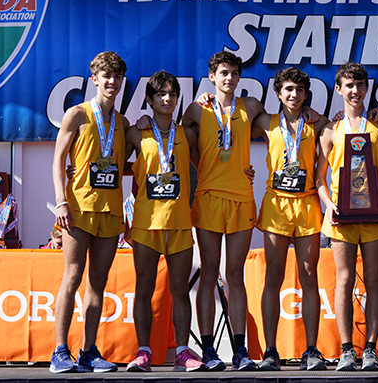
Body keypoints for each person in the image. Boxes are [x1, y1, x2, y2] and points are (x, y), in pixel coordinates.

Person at [181, 51, 261, 371]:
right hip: (209, 197)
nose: (230, 78)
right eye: (224, 73)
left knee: (235, 275)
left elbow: (283, 123)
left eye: (234, 73)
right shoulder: (198, 109)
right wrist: (203, 166)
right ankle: (208, 349)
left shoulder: (250, 107)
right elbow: (177, 137)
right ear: (212, 76)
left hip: (241, 197)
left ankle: (240, 350)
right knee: (209, 274)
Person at [316, 62, 378, 371]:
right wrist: (329, 204)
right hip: (341, 218)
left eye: (360, 85)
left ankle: (372, 350)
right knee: (344, 280)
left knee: (374, 281)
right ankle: (347, 349)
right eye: (348, 85)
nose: (355, 90)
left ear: (367, 88)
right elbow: (319, 178)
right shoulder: (330, 130)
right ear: (338, 89)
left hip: (374, 216)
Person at [50, 51, 129, 373]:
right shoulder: (77, 114)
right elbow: (58, 160)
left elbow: (125, 166)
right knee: (72, 276)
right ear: (94, 79)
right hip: (78, 209)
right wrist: (60, 200)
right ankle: (59, 351)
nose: (112, 82)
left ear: (122, 81)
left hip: (109, 212)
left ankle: (89, 350)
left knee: (98, 282)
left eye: (117, 77)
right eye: (105, 76)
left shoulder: (123, 123)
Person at [123, 71, 207, 373]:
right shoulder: (136, 133)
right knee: (144, 288)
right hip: (146, 223)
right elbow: (116, 166)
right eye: (161, 94)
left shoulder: (188, 133)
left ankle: (183, 351)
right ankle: (143, 351)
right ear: (150, 99)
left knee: (180, 290)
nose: (168, 99)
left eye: (172, 94)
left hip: (181, 222)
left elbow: (207, 162)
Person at [250, 67, 329, 371]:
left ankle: (311, 350)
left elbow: (338, 125)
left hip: (308, 202)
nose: (294, 95)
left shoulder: (317, 123)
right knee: (273, 276)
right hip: (276, 205)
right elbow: (243, 111)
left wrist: (315, 113)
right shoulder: (265, 123)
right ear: (279, 93)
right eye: (288, 89)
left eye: (299, 90)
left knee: (309, 277)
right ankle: (270, 350)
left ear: (306, 94)